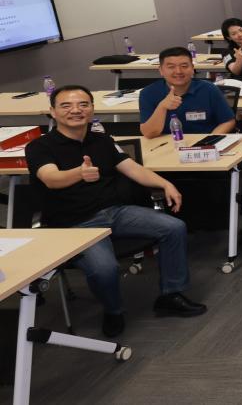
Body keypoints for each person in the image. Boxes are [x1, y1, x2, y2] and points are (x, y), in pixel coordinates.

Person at [27, 85, 206, 336]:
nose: (76, 110)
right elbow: (51, 179)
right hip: (76, 224)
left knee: (174, 227)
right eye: (66, 106)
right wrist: (79, 173)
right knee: (104, 269)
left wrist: (166, 184)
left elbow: (132, 168)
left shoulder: (102, 140)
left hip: (116, 212)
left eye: (83, 105)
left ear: (92, 109)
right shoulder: (40, 146)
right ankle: (113, 311)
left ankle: (171, 294)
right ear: (53, 112)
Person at [139, 47, 236, 138]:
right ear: (161, 70)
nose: (178, 71)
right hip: (167, 144)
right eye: (171, 67)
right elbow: (148, 133)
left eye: (184, 66)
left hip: (204, 143)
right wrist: (162, 107)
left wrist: (209, 140)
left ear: (192, 68)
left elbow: (228, 121)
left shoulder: (209, 89)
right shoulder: (148, 93)